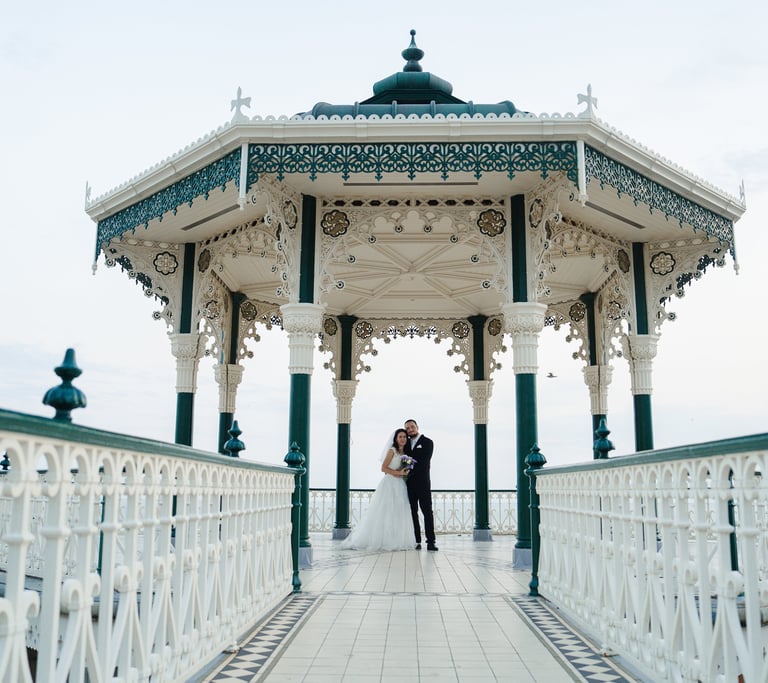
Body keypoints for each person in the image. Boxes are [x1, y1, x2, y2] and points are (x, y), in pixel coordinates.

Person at [341, 429, 415, 551]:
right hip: (389, 483)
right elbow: (384, 468)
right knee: (386, 511)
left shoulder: (405, 453)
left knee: (399, 511)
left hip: (400, 484)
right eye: (400, 436)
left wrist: (405, 472)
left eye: (404, 437)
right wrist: (398, 473)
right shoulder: (392, 451)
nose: (403, 439)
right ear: (396, 439)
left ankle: (397, 539)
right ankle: (383, 540)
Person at [404, 419, 437, 551]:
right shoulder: (405, 444)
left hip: (423, 483)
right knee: (412, 512)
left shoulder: (427, 442)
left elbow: (424, 461)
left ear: (417, 427)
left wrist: (408, 467)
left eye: (412, 427)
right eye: (407, 428)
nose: (410, 429)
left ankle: (431, 541)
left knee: (427, 512)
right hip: (409, 484)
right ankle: (416, 540)